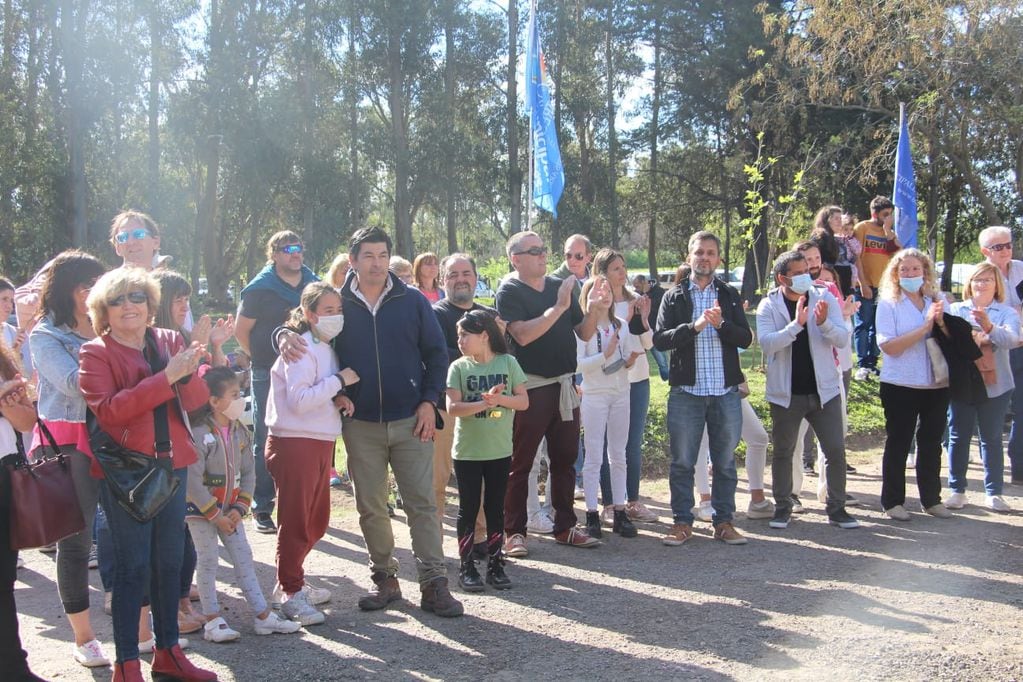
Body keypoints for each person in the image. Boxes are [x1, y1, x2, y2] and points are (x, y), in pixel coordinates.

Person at [277, 227, 462, 617]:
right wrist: (280, 335)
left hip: (413, 417)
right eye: (368, 256)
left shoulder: (412, 300)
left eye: (383, 255)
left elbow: (437, 353)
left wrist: (430, 402)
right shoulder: (336, 301)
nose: (376, 263)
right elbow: (301, 327)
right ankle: (386, 581)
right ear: (353, 259)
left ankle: (434, 583)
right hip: (359, 423)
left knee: (422, 505)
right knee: (371, 507)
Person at [79, 267, 216, 682]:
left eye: (136, 297)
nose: (128, 306)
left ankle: (168, 652)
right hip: (126, 475)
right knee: (132, 568)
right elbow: (111, 410)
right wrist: (167, 377)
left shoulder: (170, 341)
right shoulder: (94, 353)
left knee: (169, 563)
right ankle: (126, 664)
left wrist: (191, 366)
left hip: (172, 464)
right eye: (117, 300)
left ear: (150, 304)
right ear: (103, 310)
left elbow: (194, 403)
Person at [496, 230, 610, 557]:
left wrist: (596, 310)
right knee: (521, 463)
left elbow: (583, 331)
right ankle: (514, 531)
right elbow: (522, 336)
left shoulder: (559, 289)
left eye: (544, 249)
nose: (543, 255)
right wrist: (559, 307)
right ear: (515, 258)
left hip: (564, 385)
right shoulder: (510, 289)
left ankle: (565, 527)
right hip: (531, 387)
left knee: (565, 460)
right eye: (534, 251)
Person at [28, 251, 112, 668]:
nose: (95, 293)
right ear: (66, 292)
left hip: (116, 437)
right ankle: (84, 637)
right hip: (68, 443)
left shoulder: (113, 326)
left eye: (100, 284)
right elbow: (72, 383)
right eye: (85, 287)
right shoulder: (45, 336)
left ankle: (144, 629)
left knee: (127, 531)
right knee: (76, 543)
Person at [186, 367, 301, 641]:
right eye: (235, 394)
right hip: (201, 514)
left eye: (241, 393)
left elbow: (249, 472)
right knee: (208, 561)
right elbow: (192, 480)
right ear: (214, 401)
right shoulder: (199, 433)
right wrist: (215, 515)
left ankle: (263, 616)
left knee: (244, 560)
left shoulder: (239, 431)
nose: (241, 399)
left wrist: (239, 508)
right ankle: (213, 620)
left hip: (232, 514)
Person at [654, 230, 752, 547]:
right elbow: (661, 339)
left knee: (724, 462)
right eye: (699, 252)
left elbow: (746, 339)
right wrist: (695, 327)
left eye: (711, 253)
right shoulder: (674, 296)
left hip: (725, 391)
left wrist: (722, 325)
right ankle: (682, 523)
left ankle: (723, 522)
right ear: (689, 256)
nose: (705, 258)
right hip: (687, 392)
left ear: (718, 259)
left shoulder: (728, 294)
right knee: (682, 461)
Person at [266, 282, 356, 625]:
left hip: (320, 441)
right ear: (309, 313)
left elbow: (319, 391)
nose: (335, 317)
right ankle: (290, 591)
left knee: (315, 521)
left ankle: (291, 580)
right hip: (294, 442)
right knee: (296, 521)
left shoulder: (326, 348)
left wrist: (337, 397)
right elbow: (300, 400)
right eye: (328, 310)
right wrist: (340, 383)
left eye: (338, 310)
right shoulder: (301, 347)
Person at [756, 250, 859, 530]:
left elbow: (842, 338)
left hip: (824, 391)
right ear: (782, 278)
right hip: (786, 395)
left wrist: (824, 323)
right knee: (783, 451)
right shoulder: (769, 305)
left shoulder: (824, 297)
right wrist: (796, 325)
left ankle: (837, 508)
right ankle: (782, 507)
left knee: (835, 450)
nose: (806, 276)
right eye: (798, 273)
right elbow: (767, 344)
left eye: (807, 271)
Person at [235, 231, 319, 534]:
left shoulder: (314, 284)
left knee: (306, 436)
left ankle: (301, 503)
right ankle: (262, 505)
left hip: (309, 373)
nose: (295, 254)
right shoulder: (259, 289)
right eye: (287, 249)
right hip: (266, 372)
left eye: (299, 248)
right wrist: (258, 358)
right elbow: (241, 331)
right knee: (266, 438)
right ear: (274, 254)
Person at [446, 310, 527, 591]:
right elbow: (453, 408)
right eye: (458, 336)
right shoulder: (458, 367)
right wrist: (485, 403)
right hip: (467, 452)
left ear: (484, 336)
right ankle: (467, 566)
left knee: (495, 508)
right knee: (468, 509)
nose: (460, 341)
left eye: (465, 335)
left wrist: (500, 399)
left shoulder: (508, 362)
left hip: (499, 450)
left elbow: (523, 402)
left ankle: (496, 564)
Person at [874, 249, 951, 522]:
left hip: (936, 383)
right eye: (903, 269)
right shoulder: (888, 303)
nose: (909, 274)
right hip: (900, 384)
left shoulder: (937, 300)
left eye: (914, 269)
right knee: (899, 442)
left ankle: (932, 499)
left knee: (931, 444)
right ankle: (893, 501)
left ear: (925, 272)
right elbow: (888, 347)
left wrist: (941, 322)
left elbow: (952, 338)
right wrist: (923, 329)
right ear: (895, 274)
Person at [946, 263, 1020, 511]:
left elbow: (1011, 340)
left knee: (990, 438)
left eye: (988, 279)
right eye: (977, 279)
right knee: (959, 436)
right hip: (962, 382)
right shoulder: (956, 309)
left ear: (997, 284)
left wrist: (988, 327)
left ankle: (994, 493)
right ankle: (957, 490)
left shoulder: (1006, 312)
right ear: (969, 283)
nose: (982, 284)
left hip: (996, 385)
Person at [593, 250, 658, 526]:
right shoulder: (598, 303)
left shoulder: (636, 299)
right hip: (609, 382)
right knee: (609, 444)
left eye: (623, 267)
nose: (623, 273)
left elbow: (649, 345)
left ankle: (632, 501)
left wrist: (642, 321)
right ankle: (609, 503)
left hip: (638, 379)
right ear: (603, 273)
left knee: (632, 442)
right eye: (616, 268)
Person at [432, 254, 492, 555]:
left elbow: (502, 359)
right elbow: (439, 358)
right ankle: (432, 546)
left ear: (476, 276)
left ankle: (479, 538)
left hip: (482, 409)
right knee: (437, 480)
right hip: (443, 409)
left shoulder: (489, 315)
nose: (460, 279)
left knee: (478, 480)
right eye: (453, 274)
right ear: (443, 280)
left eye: (466, 273)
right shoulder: (434, 314)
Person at [576, 272, 644, 539]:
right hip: (594, 395)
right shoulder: (583, 329)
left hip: (620, 393)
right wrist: (603, 356)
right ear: (588, 296)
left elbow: (624, 357)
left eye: (607, 290)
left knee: (619, 454)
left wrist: (628, 360)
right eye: (597, 290)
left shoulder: (621, 325)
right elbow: (578, 365)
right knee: (593, 456)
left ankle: (619, 511)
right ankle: (592, 513)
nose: (604, 294)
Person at [0, 367, 46, 680]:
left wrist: (14, 404)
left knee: (4, 583)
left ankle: (14, 667)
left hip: (8, 475)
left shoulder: (4, 361)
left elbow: (28, 424)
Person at [978, 226, 1023, 485]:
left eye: (1008, 244)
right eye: (999, 247)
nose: (1006, 250)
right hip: (993, 351)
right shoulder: (982, 276)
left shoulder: (1019, 268)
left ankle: (1019, 466)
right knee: (990, 413)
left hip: (1019, 346)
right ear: (986, 251)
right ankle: (989, 473)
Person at [853, 196, 900, 380]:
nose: (889, 218)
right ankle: (863, 363)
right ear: (875, 213)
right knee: (863, 324)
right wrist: (862, 283)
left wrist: (889, 231)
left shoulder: (889, 232)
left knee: (878, 325)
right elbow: (856, 258)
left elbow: (899, 255)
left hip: (884, 288)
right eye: (885, 214)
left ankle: (873, 362)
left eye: (891, 215)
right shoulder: (862, 228)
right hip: (865, 285)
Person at [633, 273, 669, 381]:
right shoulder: (636, 295)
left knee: (661, 361)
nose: (635, 289)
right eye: (634, 286)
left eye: (637, 286)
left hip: (655, 331)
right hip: (641, 331)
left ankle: (669, 380)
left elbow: (661, 310)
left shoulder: (659, 292)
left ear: (644, 282)